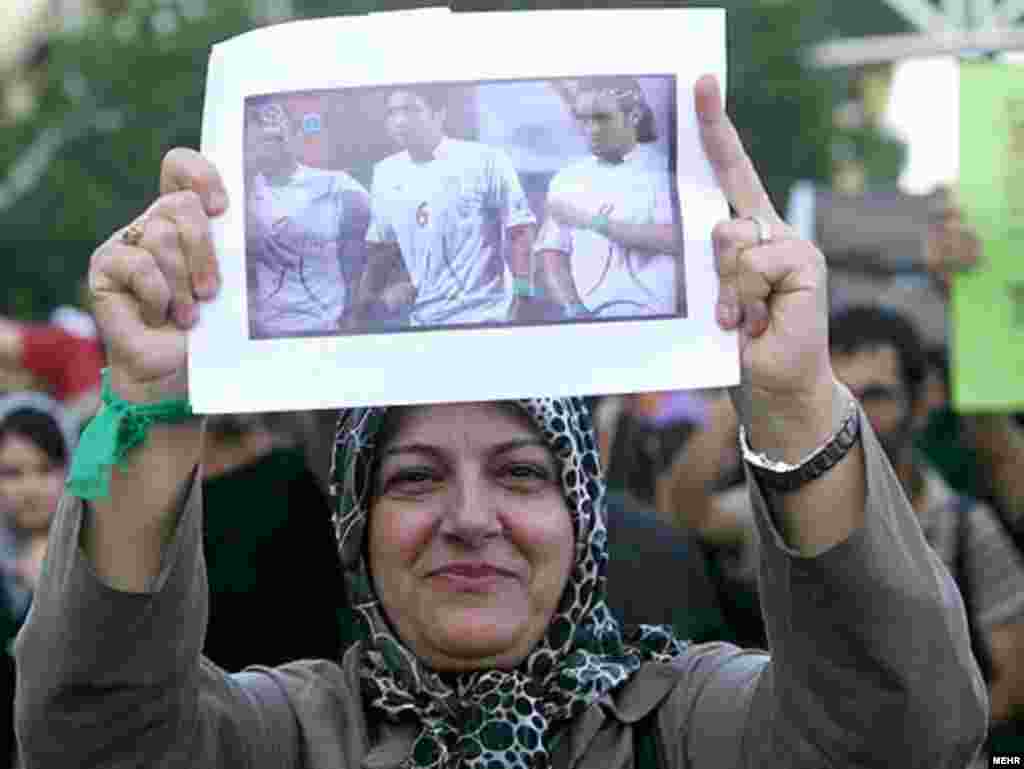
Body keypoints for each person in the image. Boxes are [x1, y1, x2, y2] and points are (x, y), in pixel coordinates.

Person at [15, 75, 986, 767]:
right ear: (352, 522)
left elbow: (903, 732)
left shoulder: (687, 726)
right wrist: (137, 410)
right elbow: (87, 736)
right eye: (414, 477)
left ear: (585, 511)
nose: (469, 516)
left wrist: (798, 404)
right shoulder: (283, 736)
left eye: (522, 473)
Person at [348, 85, 537, 329]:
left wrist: (525, 298)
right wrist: (367, 305)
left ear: (439, 114)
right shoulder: (386, 172)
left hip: (488, 315)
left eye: (410, 110)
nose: (400, 120)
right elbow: (383, 249)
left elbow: (520, 231)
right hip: (425, 320)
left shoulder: (486, 160)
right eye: (392, 112)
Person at [533, 77, 683, 320]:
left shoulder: (664, 172)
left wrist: (592, 222)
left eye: (602, 118)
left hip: (653, 318)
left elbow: (676, 239)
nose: (591, 129)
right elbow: (552, 252)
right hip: (588, 318)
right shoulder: (566, 178)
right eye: (584, 119)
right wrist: (573, 309)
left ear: (633, 116)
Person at [244, 97, 371, 338]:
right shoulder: (240, 193)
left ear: (295, 134)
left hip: (327, 329)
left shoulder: (338, 185)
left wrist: (352, 318)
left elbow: (370, 251)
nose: (269, 143)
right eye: (260, 137)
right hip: (264, 336)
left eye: (276, 136)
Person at [0, 392, 79, 768]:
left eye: (46, 469)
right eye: (12, 473)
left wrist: (47, 589)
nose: (30, 489)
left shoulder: (106, 560)